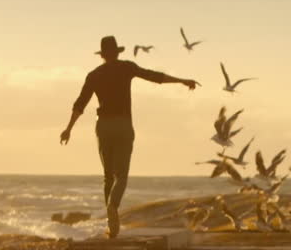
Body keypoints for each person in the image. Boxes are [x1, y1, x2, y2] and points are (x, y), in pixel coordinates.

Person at [60, 36, 198, 238]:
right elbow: (154, 76)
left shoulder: (94, 75)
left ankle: (112, 226)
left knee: (108, 176)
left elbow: (80, 103)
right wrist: (181, 80)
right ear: (117, 52)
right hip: (123, 125)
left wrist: (68, 129)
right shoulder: (126, 67)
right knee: (121, 176)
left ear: (103, 55)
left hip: (103, 127)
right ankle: (113, 206)